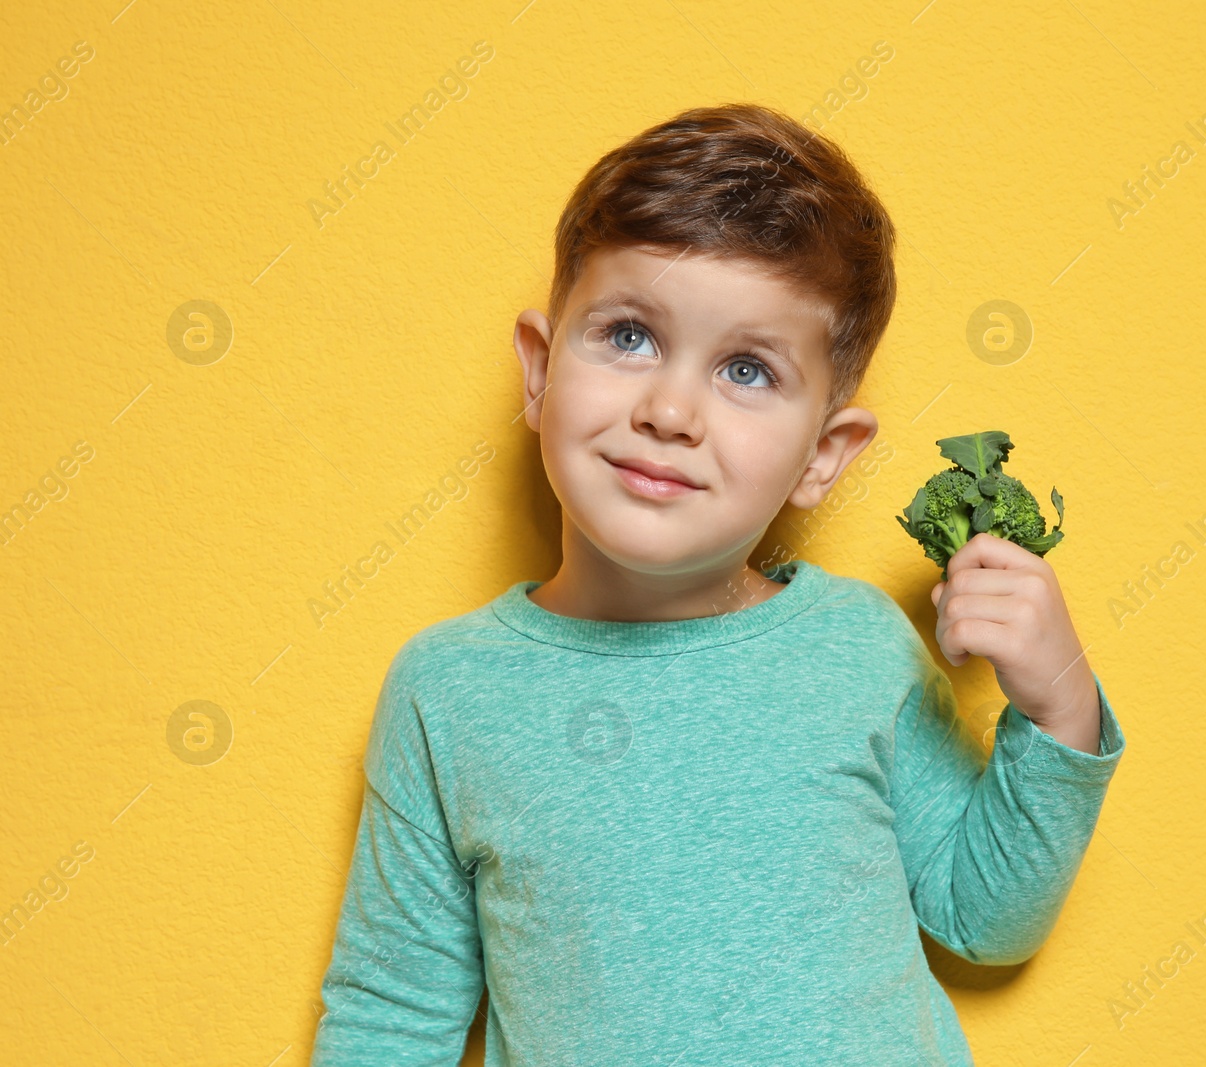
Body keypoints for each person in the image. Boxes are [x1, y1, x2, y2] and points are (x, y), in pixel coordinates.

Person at [310, 101, 1125, 1067]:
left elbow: (985, 916)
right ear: (537, 372)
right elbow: (392, 1011)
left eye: (745, 368)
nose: (669, 410)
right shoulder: (447, 692)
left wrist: (1060, 706)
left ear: (825, 455)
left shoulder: (857, 648)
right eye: (628, 337)